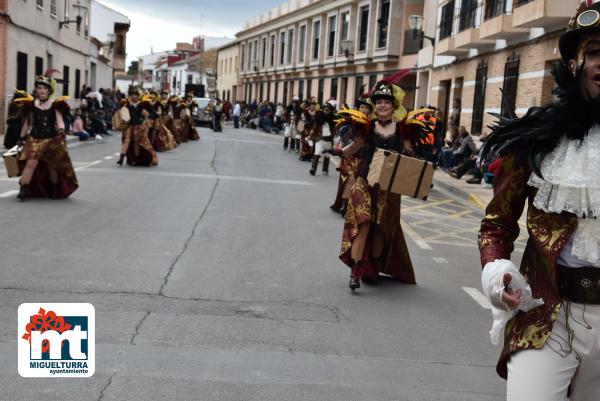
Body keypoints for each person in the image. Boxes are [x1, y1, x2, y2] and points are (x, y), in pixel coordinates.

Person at [478, 3, 600, 399]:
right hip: (549, 313)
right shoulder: (540, 141)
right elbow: (497, 223)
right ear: (574, 62)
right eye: (597, 51)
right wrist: (498, 272)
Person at [327, 80, 425, 291]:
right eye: (379, 102)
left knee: (381, 227)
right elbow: (354, 148)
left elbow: (410, 153)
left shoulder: (403, 130)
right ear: (374, 105)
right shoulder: (367, 128)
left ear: (393, 106)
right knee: (364, 223)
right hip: (365, 181)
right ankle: (355, 271)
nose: (382, 105)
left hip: (389, 187)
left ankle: (372, 266)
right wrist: (339, 152)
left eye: (386, 102)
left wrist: (411, 158)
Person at [15, 74, 78, 200]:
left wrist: (61, 130)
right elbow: (28, 123)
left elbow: (60, 121)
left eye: (44, 88)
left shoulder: (55, 105)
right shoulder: (31, 105)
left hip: (52, 139)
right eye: (39, 88)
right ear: (36, 90)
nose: (42, 90)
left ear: (49, 91)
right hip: (35, 139)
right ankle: (23, 189)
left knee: (52, 166)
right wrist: (21, 138)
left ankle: (54, 190)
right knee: (31, 163)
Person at [115, 87, 158, 167]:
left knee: (138, 143)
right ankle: (121, 159)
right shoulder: (126, 104)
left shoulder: (141, 105)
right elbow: (121, 112)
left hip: (139, 126)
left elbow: (148, 114)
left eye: (135, 95)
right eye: (132, 94)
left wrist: (146, 121)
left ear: (138, 96)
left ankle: (138, 159)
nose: (134, 96)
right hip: (129, 126)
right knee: (127, 140)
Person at [309, 102, 335, 176]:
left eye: (328, 110)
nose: (326, 111)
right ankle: (313, 169)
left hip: (329, 140)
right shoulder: (318, 118)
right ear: (322, 110)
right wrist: (311, 135)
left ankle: (325, 169)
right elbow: (313, 128)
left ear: (330, 111)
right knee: (317, 152)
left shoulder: (333, 121)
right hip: (320, 139)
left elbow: (335, 131)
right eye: (325, 110)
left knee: (327, 155)